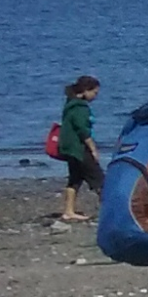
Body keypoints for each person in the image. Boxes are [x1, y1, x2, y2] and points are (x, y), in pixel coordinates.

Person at [56, 76, 100, 222]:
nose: (95, 96)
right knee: (99, 179)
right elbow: (83, 131)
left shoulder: (70, 104)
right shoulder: (80, 108)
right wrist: (93, 149)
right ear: (86, 90)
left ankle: (68, 211)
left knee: (75, 179)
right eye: (94, 92)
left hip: (69, 148)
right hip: (79, 148)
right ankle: (111, 211)